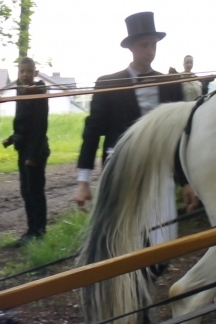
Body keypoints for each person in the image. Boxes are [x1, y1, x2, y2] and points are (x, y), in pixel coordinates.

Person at [75, 11, 185, 213]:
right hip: (121, 169)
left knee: (164, 225)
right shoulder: (108, 83)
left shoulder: (171, 83)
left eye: (153, 45)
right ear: (131, 47)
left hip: (160, 170)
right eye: (144, 45)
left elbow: (180, 134)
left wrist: (186, 182)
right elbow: (92, 132)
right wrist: (83, 181)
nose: (150, 51)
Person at [2, 56, 49, 243]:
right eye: (22, 71)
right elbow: (23, 124)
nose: (25, 74)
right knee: (26, 191)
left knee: (35, 190)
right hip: (23, 149)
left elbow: (40, 126)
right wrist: (12, 138)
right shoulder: (20, 91)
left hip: (36, 150)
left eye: (28, 71)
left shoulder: (39, 92)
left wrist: (33, 156)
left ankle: (39, 231)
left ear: (35, 72)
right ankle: (31, 230)